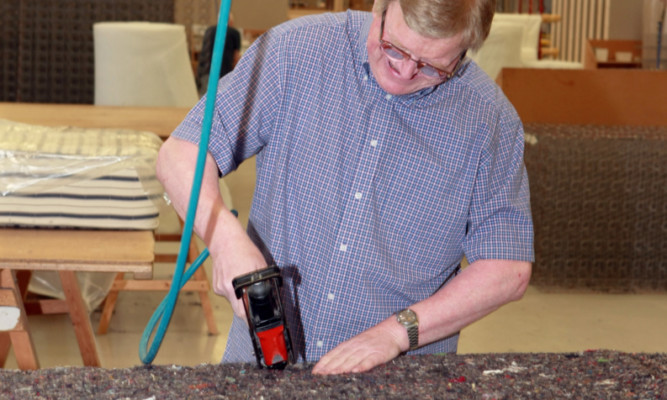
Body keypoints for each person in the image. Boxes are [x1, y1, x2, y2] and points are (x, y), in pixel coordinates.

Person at [157, 0, 533, 375]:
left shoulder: (489, 120)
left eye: (432, 66)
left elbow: (506, 267)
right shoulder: (296, 51)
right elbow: (181, 153)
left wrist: (396, 334)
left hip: (401, 378)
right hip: (262, 366)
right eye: (393, 49)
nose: (403, 72)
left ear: (465, 50)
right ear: (379, 10)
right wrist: (223, 237)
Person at [195, 14, 241, 97]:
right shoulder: (234, 33)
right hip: (225, 72)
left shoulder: (209, 30)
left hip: (206, 70)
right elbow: (236, 56)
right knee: (222, 98)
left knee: (205, 99)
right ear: (231, 22)